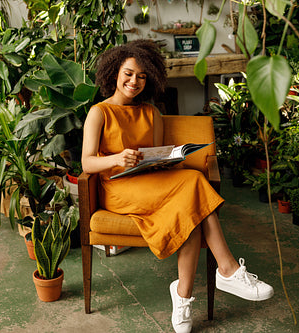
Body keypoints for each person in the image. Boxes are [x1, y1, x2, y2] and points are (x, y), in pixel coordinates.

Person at [81, 39, 273, 333]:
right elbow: (87, 164)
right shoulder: (99, 112)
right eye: (129, 73)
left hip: (151, 184)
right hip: (118, 189)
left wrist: (169, 160)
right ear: (114, 73)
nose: (135, 81)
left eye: (142, 76)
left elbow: (155, 158)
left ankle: (183, 297)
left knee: (191, 208)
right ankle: (227, 270)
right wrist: (118, 158)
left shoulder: (152, 113)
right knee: (195, 183)